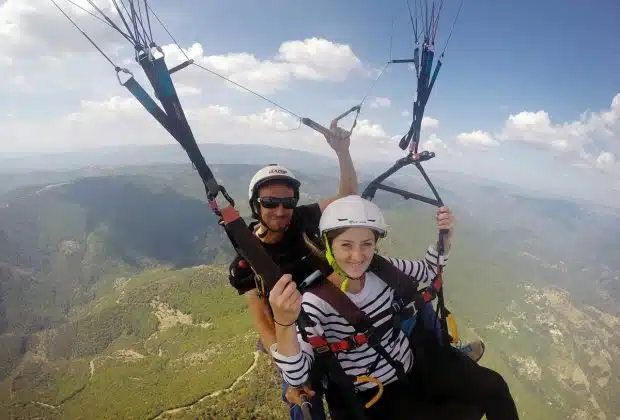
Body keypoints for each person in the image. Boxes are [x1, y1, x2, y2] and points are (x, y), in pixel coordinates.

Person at [268, 195, 519, 420]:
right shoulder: (316, 302)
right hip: (375, 396)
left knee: (493, 386)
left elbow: (428, 270)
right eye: (346, 245)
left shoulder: (382, 268)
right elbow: (297, 375)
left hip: (416, 369)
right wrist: (284, 322)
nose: (358, 256)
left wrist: (446, 237)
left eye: (366, 244)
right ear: (329, 246)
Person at [228, 121, 358, 420]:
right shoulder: (246, 262)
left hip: (335, 316)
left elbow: (348, 196)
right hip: (293, 334)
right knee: (302, 402)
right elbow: (262, 319)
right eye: (270, 203)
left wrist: (343, 152)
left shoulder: (303, 219)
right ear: (255, 205)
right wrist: (292, 370)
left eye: (287, 202)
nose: (280, 210)